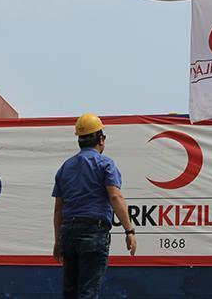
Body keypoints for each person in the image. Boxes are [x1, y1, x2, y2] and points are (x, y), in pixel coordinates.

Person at [52, 112, 137, 298]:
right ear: (101, 139)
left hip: (68, 233)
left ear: (79, 140)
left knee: (70, 292)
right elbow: (115, 196)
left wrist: (58, 241)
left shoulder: (65, 167)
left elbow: (58, 209)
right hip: (93, 233)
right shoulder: (105, 164)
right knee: (88, 292)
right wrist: (129, 231)